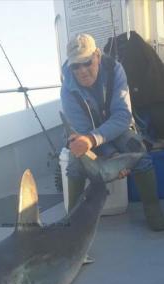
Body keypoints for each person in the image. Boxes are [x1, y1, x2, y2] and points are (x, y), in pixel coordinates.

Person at [60, 33, 164, 231]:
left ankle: (153, 211)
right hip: (88, 134)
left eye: (87, 62)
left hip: (118, 128)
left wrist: (113, 156)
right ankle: (71, 223)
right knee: (74, 164)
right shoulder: (67, 88)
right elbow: (82, 130)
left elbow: (122, 117)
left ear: (97, 56)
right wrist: (112, 158)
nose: (82, 71)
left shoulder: (115, 70)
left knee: (140, 153)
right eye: (75, 66)